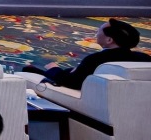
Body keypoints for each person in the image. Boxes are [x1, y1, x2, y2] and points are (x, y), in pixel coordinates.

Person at [22, 19, 151, 89]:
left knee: (29, 70)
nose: (96, 33)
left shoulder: (96, 59)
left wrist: (54, 69)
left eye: (99, 30)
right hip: (129, 100)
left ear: (109, 40)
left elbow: (72, 83)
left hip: (89, 98)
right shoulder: (144, 58)